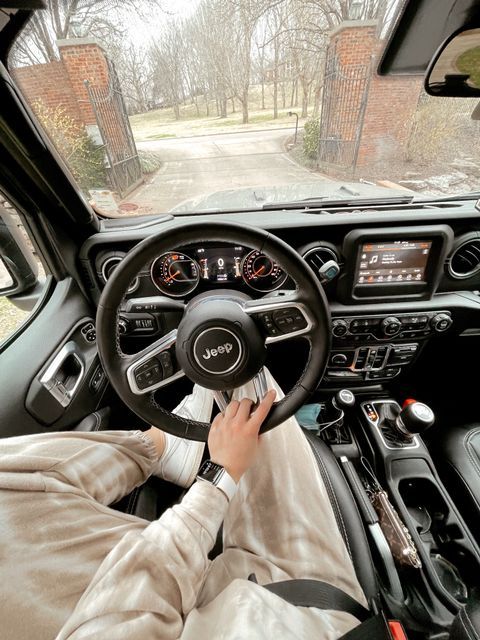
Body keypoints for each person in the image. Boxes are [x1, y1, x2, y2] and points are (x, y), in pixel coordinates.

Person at [0, 370, 367, 639]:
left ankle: (159, 446)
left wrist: (220, 477)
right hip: (284, 605)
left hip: (103, 601)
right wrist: (220, 474)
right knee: (239, 367)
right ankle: (165, 443)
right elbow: (131, 604)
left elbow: (123, 604)